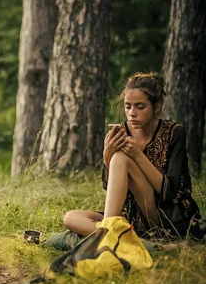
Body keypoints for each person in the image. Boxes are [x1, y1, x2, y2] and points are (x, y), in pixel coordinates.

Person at [47, 72, 203, 250]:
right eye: (128, 107)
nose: (132, 113)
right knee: (71, 218)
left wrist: (137, 155)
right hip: (131, 215)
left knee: (122, 158)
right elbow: (110, 187)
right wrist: (107, 156)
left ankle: (107, 237)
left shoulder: (174, 132)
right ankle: (130, 240)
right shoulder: (122, 131)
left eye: (140, 107)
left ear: (157, 107)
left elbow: (168, 192)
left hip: (163, 214)